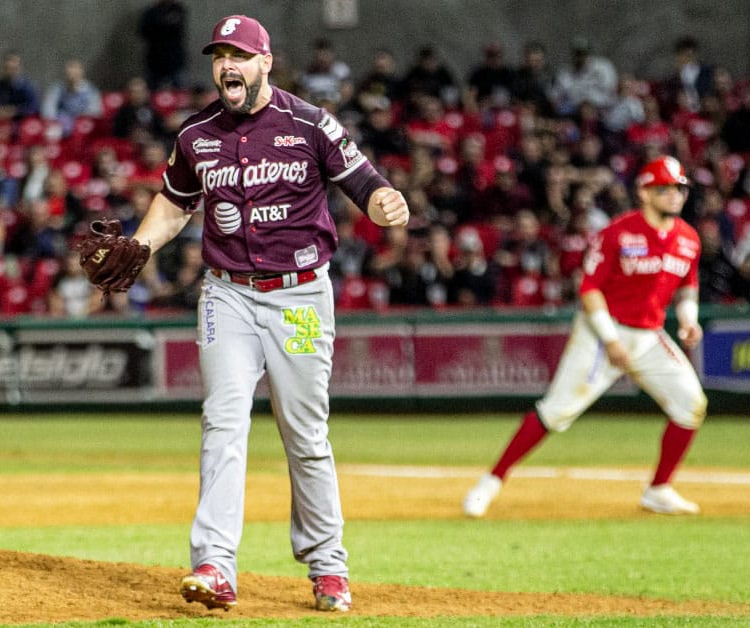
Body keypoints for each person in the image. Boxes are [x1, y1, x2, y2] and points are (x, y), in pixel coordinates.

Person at [93, 14, 409, 613]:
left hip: (301, 296)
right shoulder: (197, 136)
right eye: (218, 56)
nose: (226, 66)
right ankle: (214, 565)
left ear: (266, 61)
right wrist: (139, 244)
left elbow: (366, 183)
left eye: (238, 54)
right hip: (227, 294)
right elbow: (175, 201)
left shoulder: (310, 123)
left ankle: (328, 567)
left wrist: (385, 203)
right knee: (223, 421)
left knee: (306, 434)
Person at [463, 155, 708, 518]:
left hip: (648, 335)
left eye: (679, 188)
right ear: (644, 192)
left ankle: (658, 489)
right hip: (601, 331)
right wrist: (610, 340)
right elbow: (590, 289)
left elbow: (688, 288)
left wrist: (689, 319)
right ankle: (491, 482)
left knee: (691, 405)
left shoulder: (688, 238)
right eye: (665, 188)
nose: (674, 195)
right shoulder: (619, 232)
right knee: (556, 412)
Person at [138, 0, 188, 90]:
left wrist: (158, 26)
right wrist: (165, 23)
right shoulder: (151, 12)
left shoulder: (177, 10)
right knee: (152, 91)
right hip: (154, 60)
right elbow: (143, 32)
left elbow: (177, 28)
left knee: (179, 92)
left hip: (174, 59)